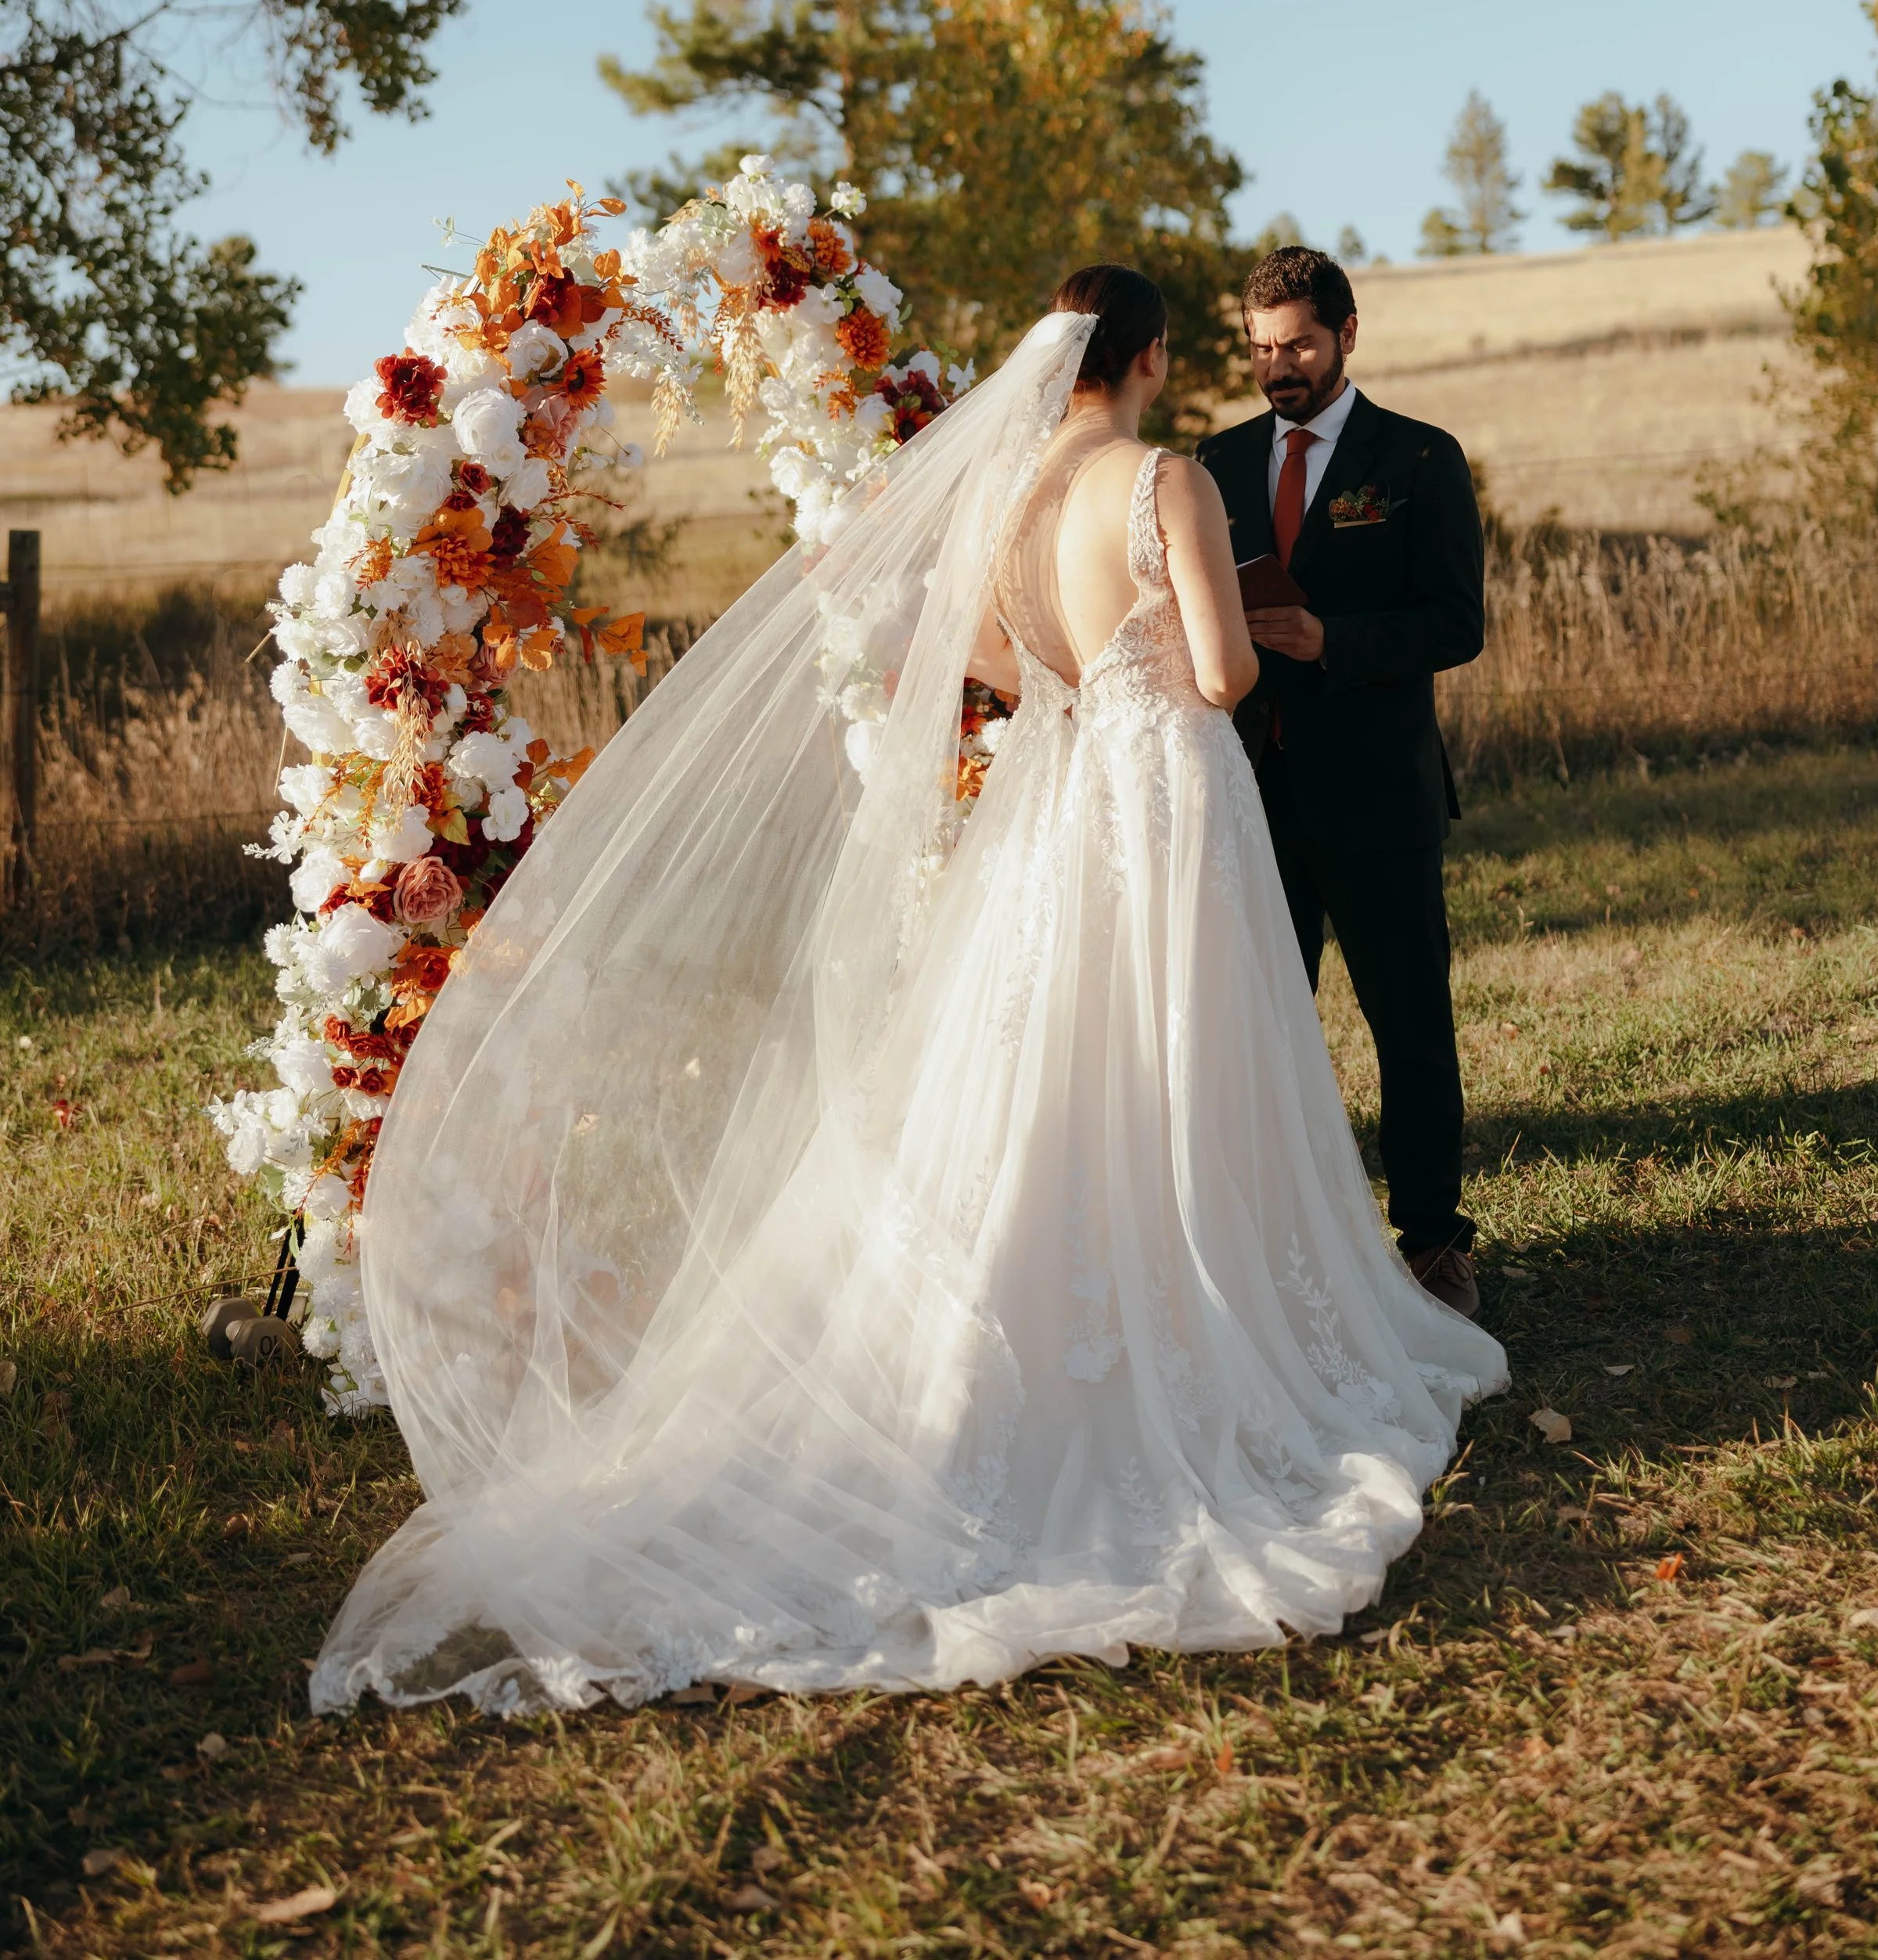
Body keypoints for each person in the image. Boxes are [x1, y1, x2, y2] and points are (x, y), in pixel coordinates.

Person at [311, 266, 1504, 1717]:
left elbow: (994, 663)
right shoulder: (1174, 480)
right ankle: (1201, 1290)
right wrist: (1218, 649)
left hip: (1058, 805)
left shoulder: (1000, 502)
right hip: (1168, 803)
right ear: (1151, 355)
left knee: (1044, 1063)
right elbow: (1218, 671)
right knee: (1181, 1048)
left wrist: (1082, 676)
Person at [1196, 243, 1485, 1317]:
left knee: (1408, 1022)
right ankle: (1271, 1243)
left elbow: (1458, 623)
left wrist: (1332, 640)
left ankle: (1434, 1243)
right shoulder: (1212, 464)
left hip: (1378, 796)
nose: (1280, 367)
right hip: (1246, 797)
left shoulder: (1418, 458)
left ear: (1348, 334)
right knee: (1260, 1027)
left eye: (1300, 344)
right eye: (1263, 347)